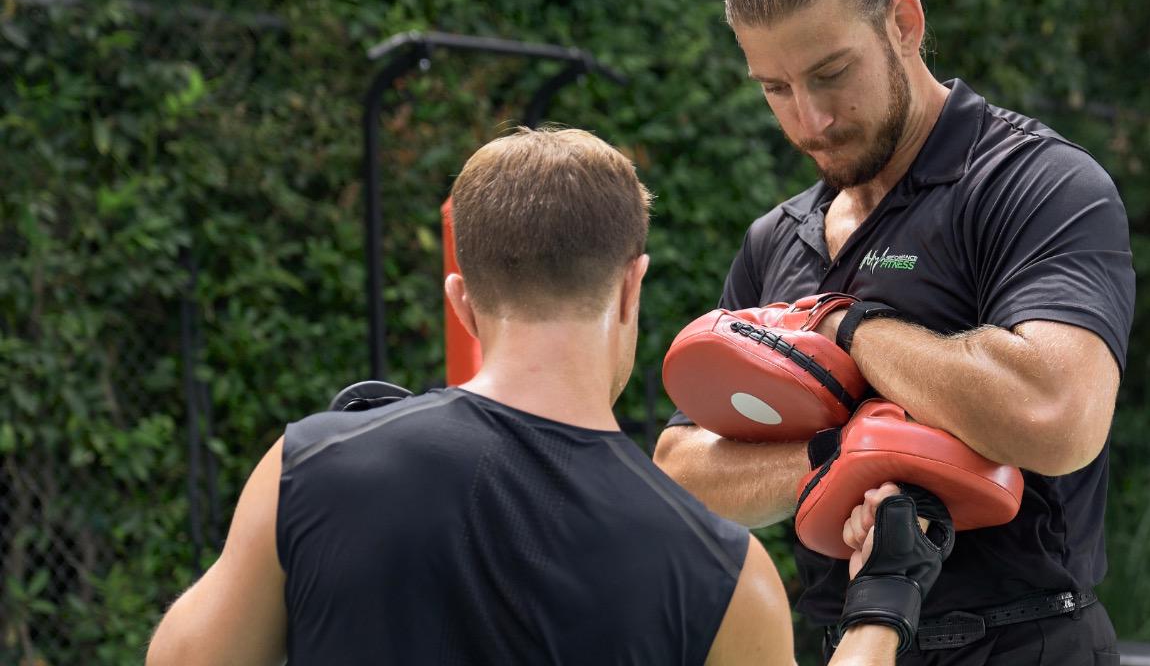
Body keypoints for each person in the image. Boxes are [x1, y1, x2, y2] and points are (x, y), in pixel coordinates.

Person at [144, 127, 939, 665]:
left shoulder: (309, 466)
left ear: (460, 301)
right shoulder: (724, 577)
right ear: (633, 288)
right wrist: (880, 605)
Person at [652, 0, 1136, 663]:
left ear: (903, 24)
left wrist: (850, 330)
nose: (808, 119)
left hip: (1026, 641)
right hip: (852, 643)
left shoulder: (1037, 184)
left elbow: (1056, 416)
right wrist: (846, 454)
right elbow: (683, 471)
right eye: (775, 88)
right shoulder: (775, 240)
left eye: (830, 74)